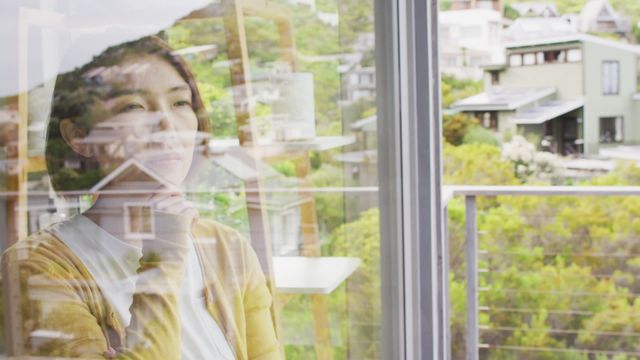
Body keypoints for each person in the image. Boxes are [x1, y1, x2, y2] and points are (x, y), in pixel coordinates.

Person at [1, 35, 281, 359]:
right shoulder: (37, 267)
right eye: (133, 106)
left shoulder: (226, 247)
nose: (167, 123)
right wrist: (162, 260)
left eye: (180, 103)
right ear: (79, 135)